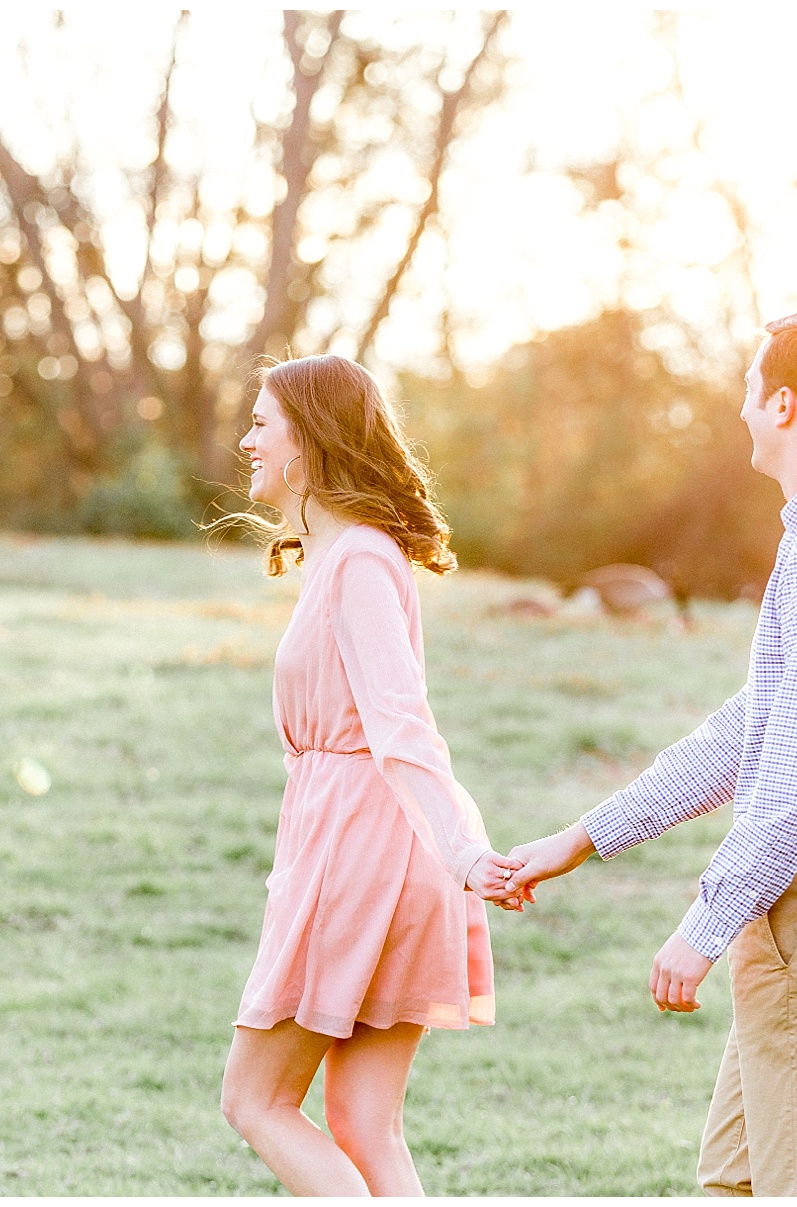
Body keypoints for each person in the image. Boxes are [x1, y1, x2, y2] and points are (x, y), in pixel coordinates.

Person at [506, 311, 797, 1197]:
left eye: (749, 387)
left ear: (784, 404)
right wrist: (580, 839)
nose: (741, 407)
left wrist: (703, 929)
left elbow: (794, 782)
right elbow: (745, 733)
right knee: (735, 1183)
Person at [216, 353, 526, 1197]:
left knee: (255, 1098)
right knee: (361, 1121)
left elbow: (400, 721)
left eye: (260, 424)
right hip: (377, 843)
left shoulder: (357, 561)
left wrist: (463, 851)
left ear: (308, 441)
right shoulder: (349, 558)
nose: (246, 440)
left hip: (362, 847)